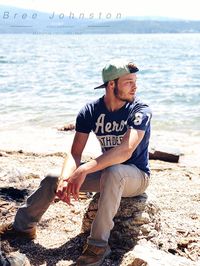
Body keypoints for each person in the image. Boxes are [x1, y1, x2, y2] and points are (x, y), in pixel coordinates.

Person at [0, 59, 152, 266]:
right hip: (108, 174)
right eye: (128, 82)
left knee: (114, 171)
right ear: (111, 85)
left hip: (136, 177)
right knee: (53, 177)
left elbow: (125, 150)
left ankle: (98, 246)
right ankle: (22, 228)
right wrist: (65, 179)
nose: (135, 86)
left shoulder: (140, 110)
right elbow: (74, 153)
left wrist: (85, 169)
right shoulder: (90, 110)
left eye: (135, 81)